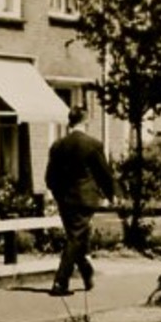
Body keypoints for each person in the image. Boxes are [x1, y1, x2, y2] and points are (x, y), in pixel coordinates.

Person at [45, 106, 116, 297]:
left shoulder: (58, 145)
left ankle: (86, 272)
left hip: (64, 199)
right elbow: (103, 173)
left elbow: (50, 177)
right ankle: (60, 282)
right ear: (85, 122)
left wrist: (58, 195)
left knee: (76, 237)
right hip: (85, 199)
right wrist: (112, 194)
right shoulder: (92, 145)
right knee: (76, 238)